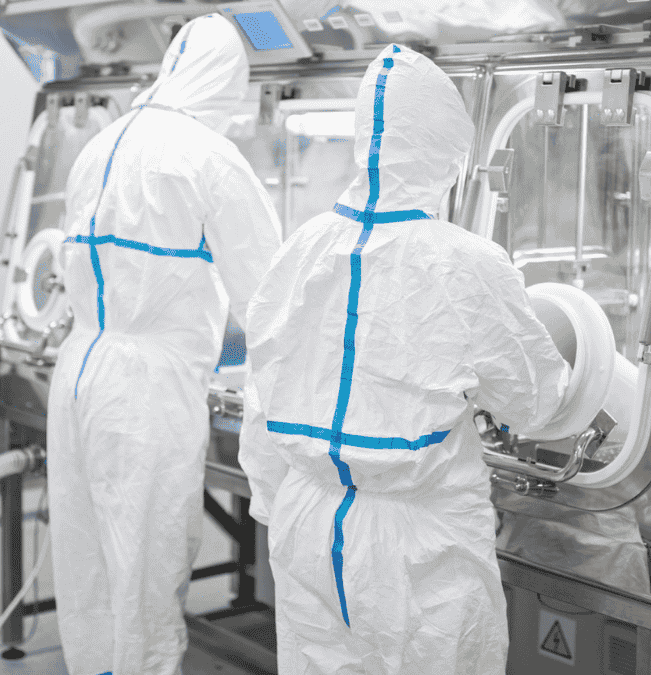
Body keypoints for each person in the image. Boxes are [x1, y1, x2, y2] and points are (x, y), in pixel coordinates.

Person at [238, 44, 572, 674]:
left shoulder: (301, 249)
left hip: (306, 517)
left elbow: (262, 393)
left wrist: (274, 503)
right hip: (416, 543)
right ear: (447, 151)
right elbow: (534, 402)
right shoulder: (465, 263)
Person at [47, 14, 282, 675]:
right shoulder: (207, 157)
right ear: (227, 83)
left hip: (80, 368)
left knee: (88, 559)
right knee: (146, 563)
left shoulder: (103, 142)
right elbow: (271, 297)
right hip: (144, 389)